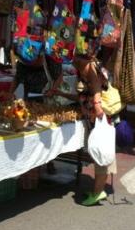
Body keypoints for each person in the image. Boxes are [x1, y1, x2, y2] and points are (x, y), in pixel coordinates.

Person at [49, 54, 116, 206]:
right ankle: (98, 190)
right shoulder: (83, 69)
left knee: (101, 154)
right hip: (93, 117)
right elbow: (83, 95)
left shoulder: (89, 67)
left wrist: (97, 106)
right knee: (98, 153)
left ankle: (98, 193)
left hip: (99, 118)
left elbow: (96, 86)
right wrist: (61, 93)